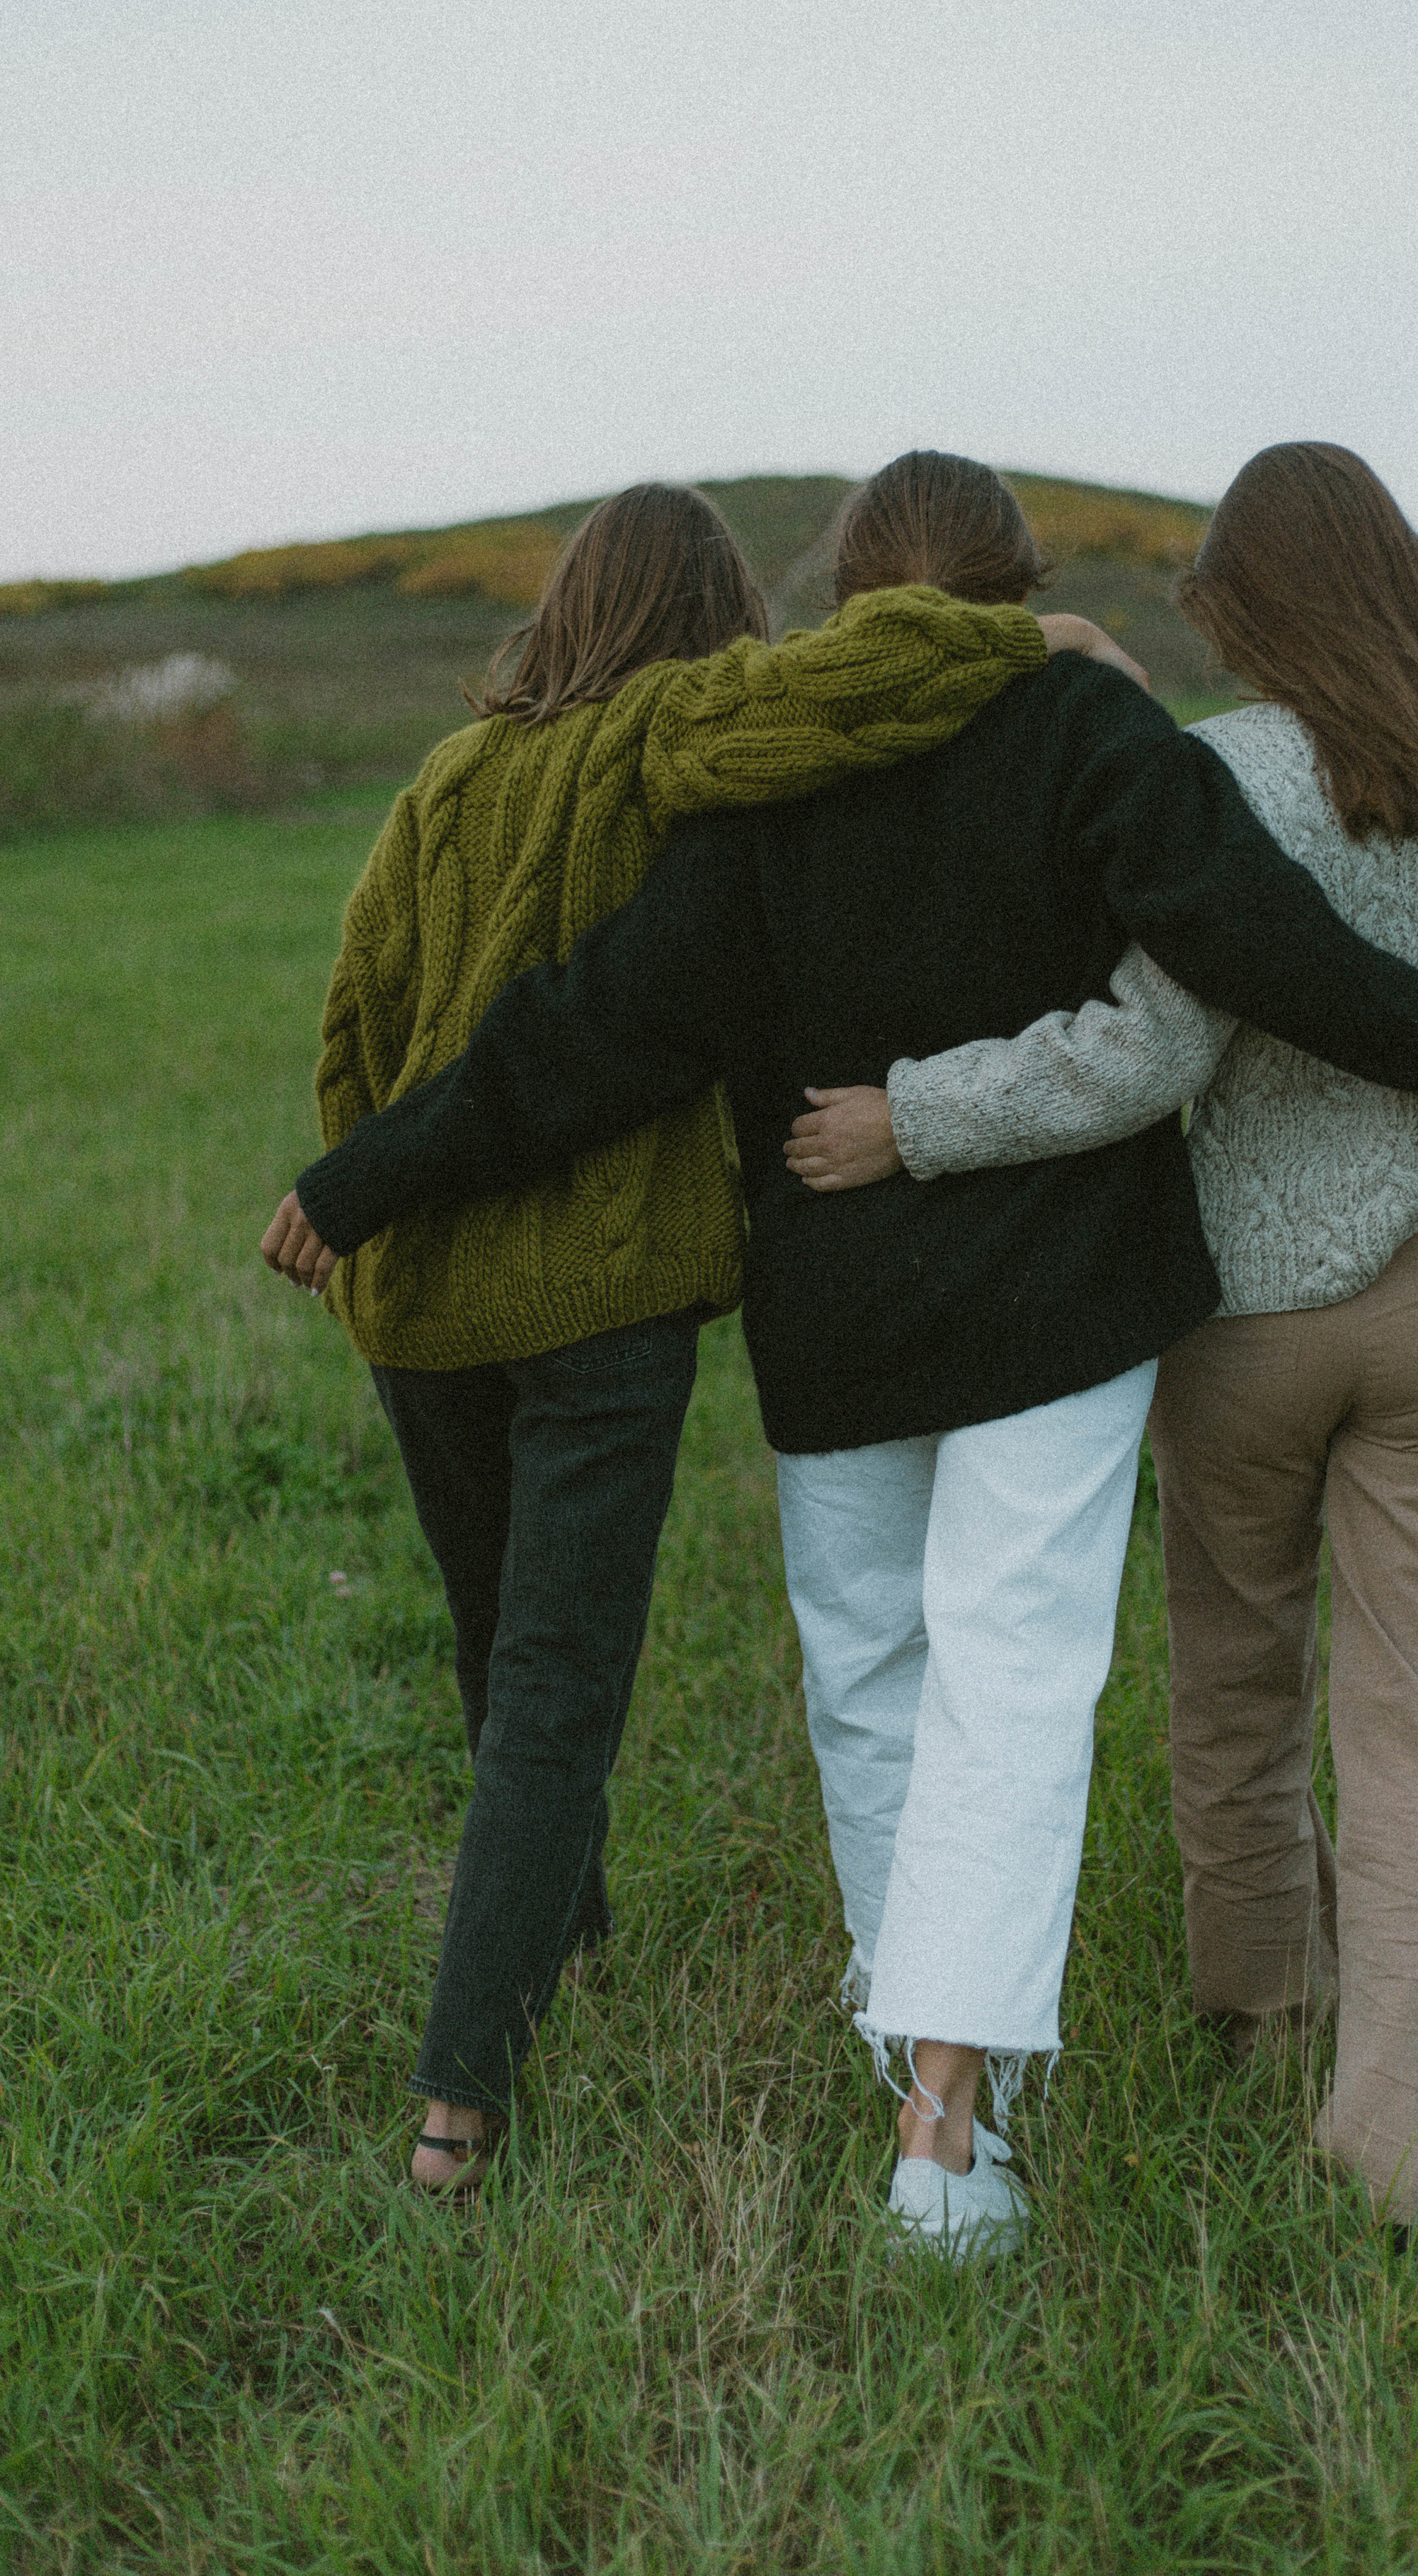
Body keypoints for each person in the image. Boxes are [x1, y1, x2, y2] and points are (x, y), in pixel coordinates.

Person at [263, 450, 1418, 2255]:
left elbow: (584, 1036)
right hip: (1057, 1310)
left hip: (839, 1329)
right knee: (1014, 1684)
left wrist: (364, 1177)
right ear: (1020, 581)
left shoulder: (771, 780)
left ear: (840, 601)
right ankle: (943, 2128)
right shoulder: (1082, 731)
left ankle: (928, 2084)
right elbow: (1256, 940)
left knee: (875, 1689)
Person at [784, 442, 1418, 2233]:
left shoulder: (1224, 776)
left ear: (1249, 607)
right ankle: (1398, 2143)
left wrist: (911, 1115)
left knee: (1232, 1682)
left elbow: (1138, 1055)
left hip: (1238, 1318)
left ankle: (1260, 2013)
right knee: (1412, 1726)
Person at [263, 477, 1085, 2195]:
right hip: (595, 1298)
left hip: (414, 1299)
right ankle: (455, 2112)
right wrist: (1031, 637)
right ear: (712, 615)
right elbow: (870, 681)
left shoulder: (444, 778)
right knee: (556, 1692)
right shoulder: (678, 733)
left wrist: (368, 1203)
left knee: (504, 1663)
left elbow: (357, 1028)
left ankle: (570, 1945)